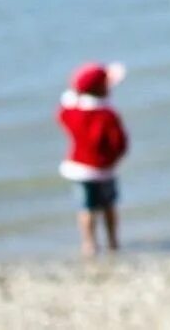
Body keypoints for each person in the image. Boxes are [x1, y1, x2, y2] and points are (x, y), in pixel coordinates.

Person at [57, 62, 129, 257]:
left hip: (78, 167)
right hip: (104, 168)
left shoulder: (72, 112)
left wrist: (74, 96)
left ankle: (89, 244)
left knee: (86, 208)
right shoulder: (107, 115)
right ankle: (113, 242)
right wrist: (114, 158)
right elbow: (119, 142)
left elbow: (61, 114)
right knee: (109, 206)